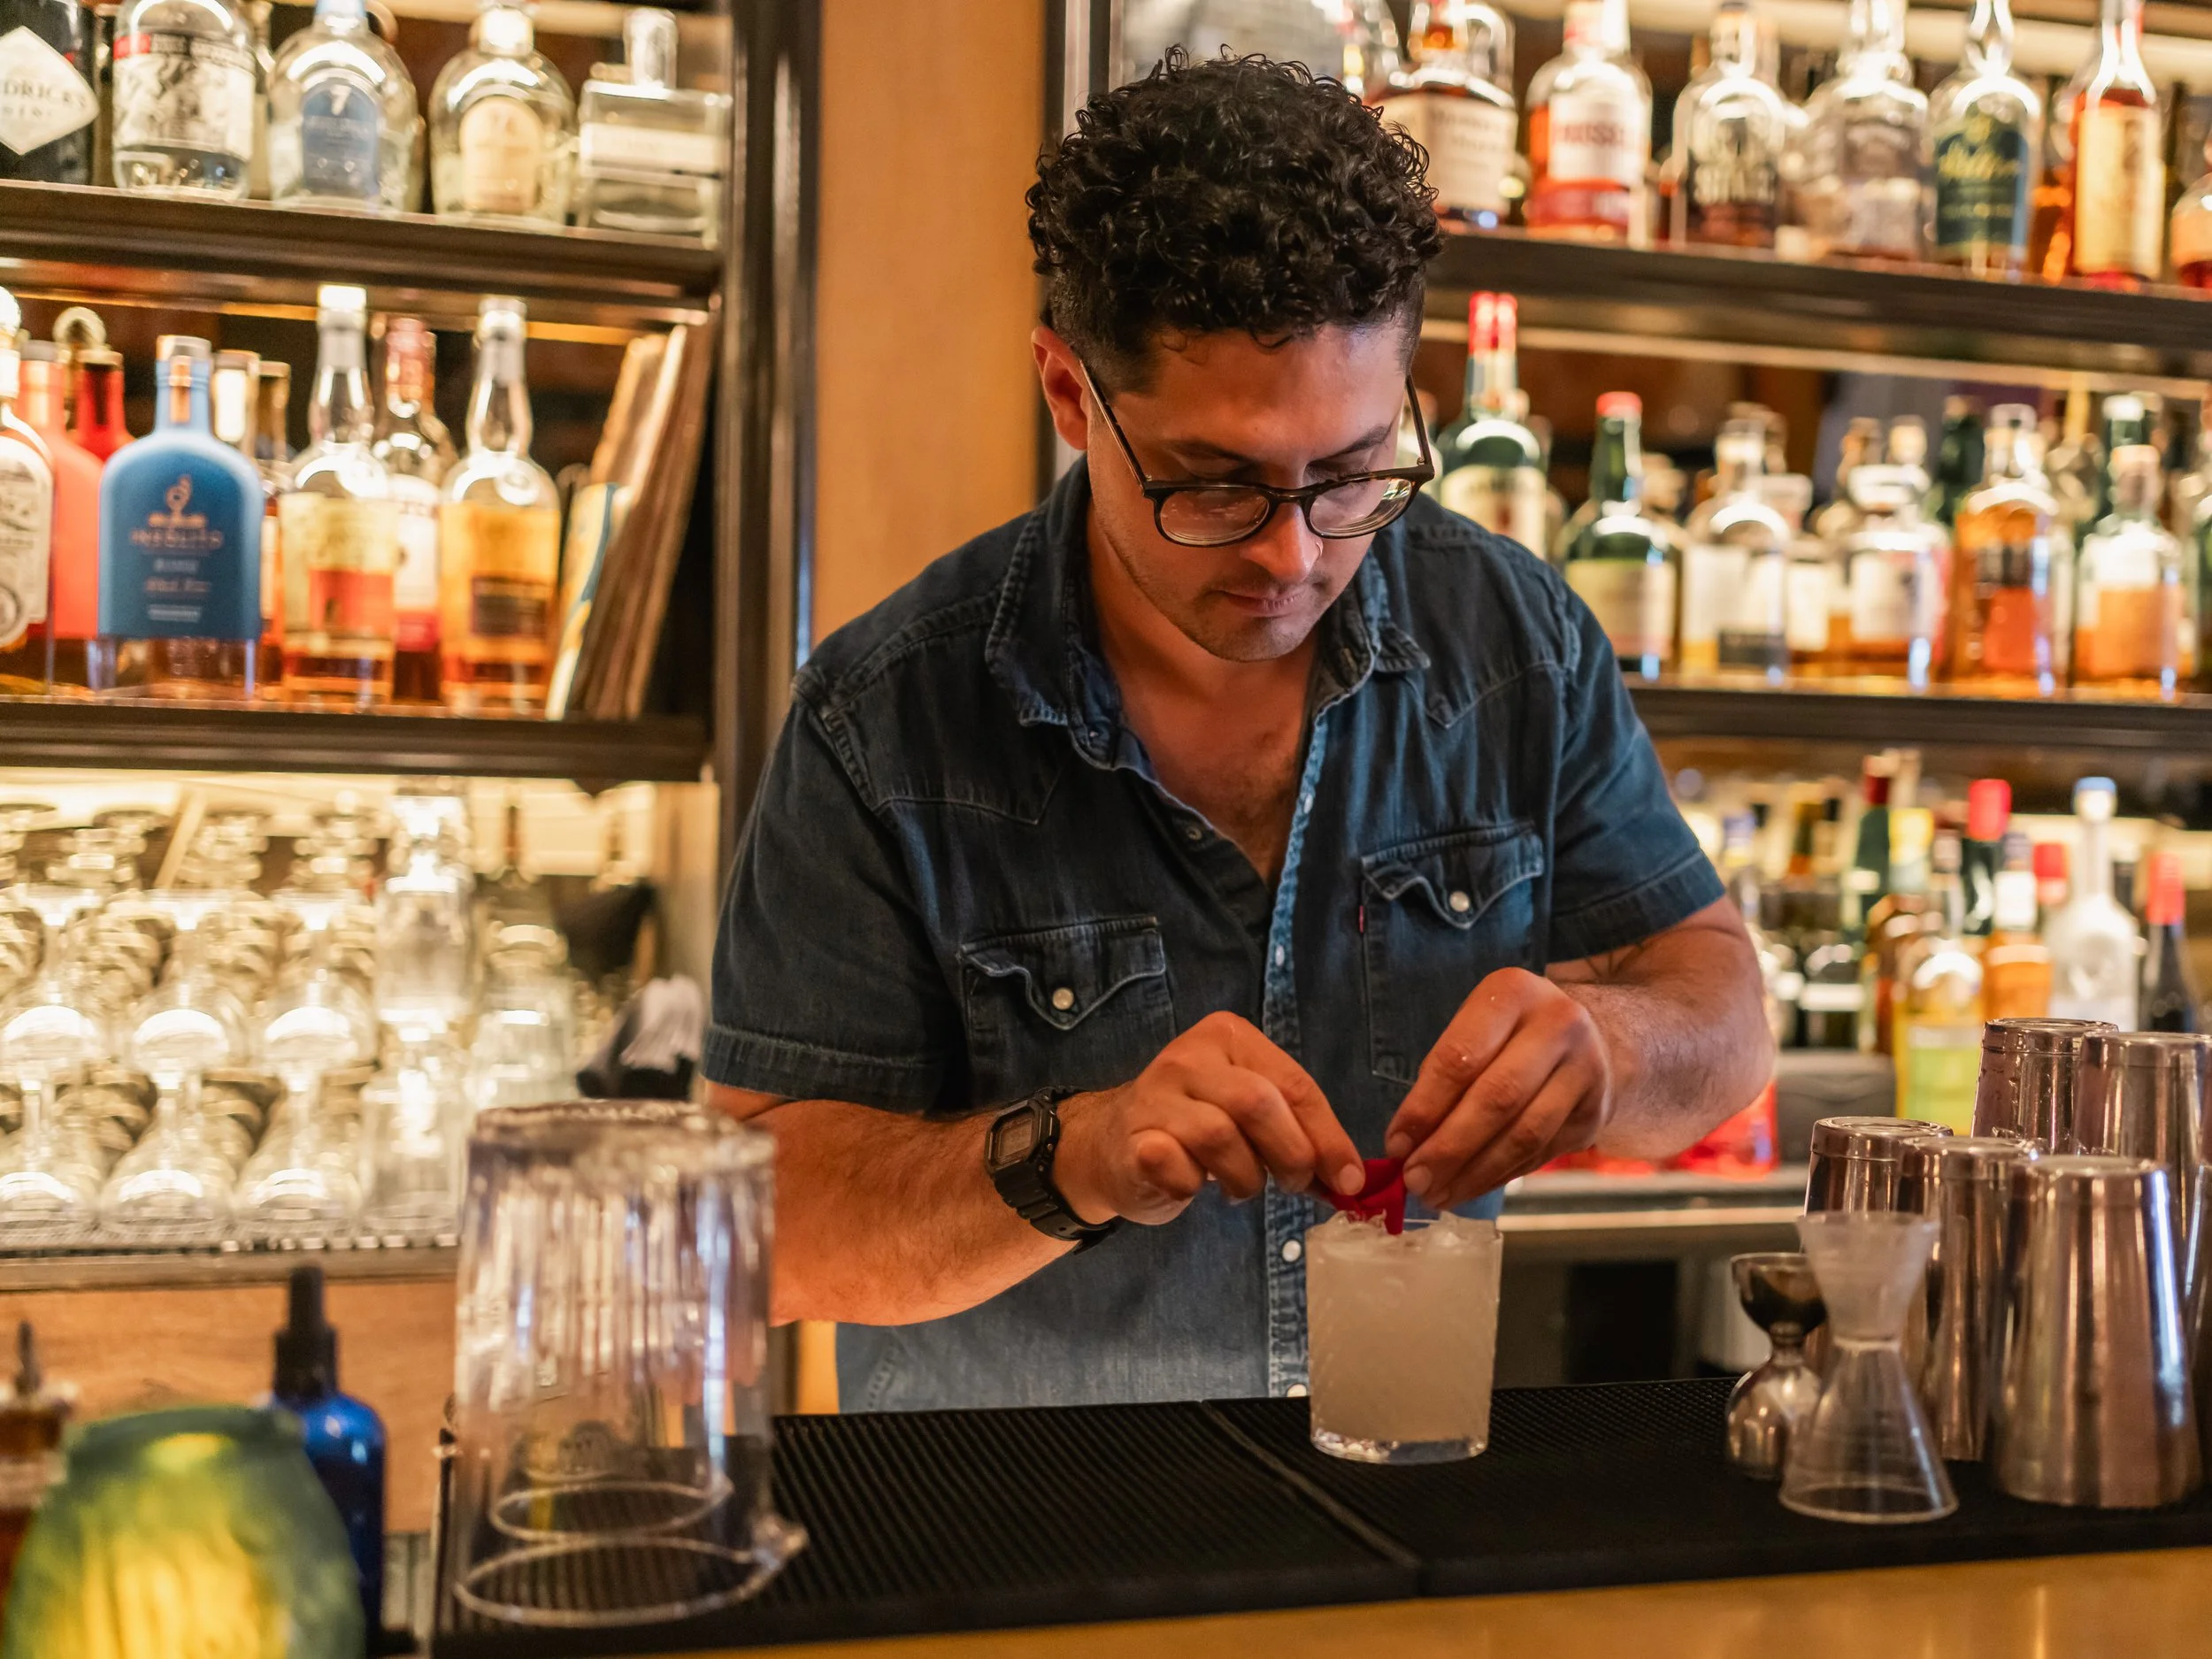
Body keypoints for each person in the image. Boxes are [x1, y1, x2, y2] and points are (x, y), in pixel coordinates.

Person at [706, 51, 1771, 1411]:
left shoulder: (1512, 640)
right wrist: (1075, 1154)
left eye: (1354, 471)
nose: (1293, 554)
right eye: (1214, 484)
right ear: (1070, 395)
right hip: (1020, 1523)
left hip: (1398, 1491)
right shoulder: (885, 720)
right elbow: (759, 1228)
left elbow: (1724, 1016)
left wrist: (1611, 1049)